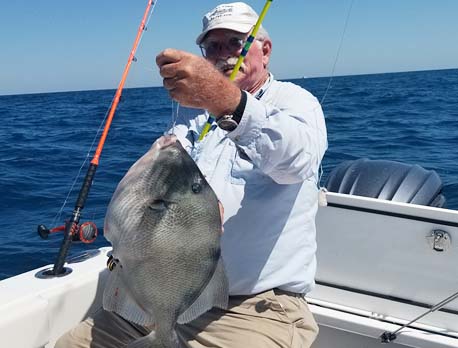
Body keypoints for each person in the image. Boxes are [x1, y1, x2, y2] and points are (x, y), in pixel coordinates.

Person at [55, 2, 327, 347]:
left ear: (265, 50)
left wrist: (224, 98)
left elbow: (297, 161)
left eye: (235, 42)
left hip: (253, 309)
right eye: (212, 46)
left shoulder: (296, 103)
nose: (223, 54)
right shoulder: (193, 118)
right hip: (159, 298)